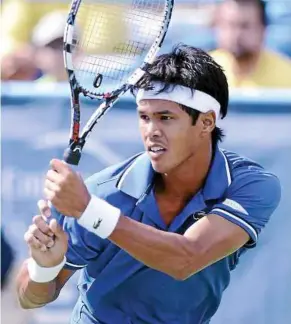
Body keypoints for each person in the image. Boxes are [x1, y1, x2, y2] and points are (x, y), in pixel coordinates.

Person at [16, 45, 281, 324]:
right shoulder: (102, 193)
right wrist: (44, 268)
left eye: (165, 118)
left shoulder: (251, 186)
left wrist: (91, 212)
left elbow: (186, 259)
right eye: (144, 117)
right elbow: (29, 297)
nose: (151, 131)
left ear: (206, 122)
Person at [210, 0, 291, 88]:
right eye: (230, 25)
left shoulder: (287, 75)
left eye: (245, 26)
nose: (236, 34)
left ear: (262, 30)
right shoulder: (205, 71)